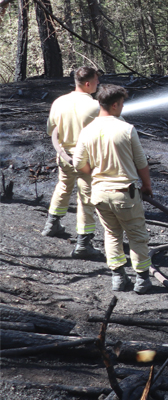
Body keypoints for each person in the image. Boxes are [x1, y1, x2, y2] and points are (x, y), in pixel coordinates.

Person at [74, 84, 154, 293]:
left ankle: (118, 278)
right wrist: (146, 186)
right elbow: (141, 163)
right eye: (122, 104)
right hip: (124, 194)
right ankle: (142, 280)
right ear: (116, 104)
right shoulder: (126, 129)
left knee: (111, 234)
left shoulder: (87, 130)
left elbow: (78, 164)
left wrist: (95, 175)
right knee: (137, 236)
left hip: (99, 194)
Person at [42, 67, 102, 259]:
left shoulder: (59, 102)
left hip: (65, 156)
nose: (98, 84)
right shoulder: (95, 106)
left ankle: (52, 224)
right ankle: (84, 243)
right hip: (87, 160)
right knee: (86, 198)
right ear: (87, 83)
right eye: (96, 81)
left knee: (63, 186)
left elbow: (50, 130)